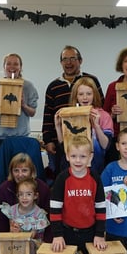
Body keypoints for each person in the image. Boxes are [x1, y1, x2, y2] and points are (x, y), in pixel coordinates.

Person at [50, 135, 107, 254]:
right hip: (67, 231)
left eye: (83, 156)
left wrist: (99, 234)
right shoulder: (62, 179)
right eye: (74, 156)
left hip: (89, 231)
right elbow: (55, 209)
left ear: (90, 157)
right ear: (67, 156)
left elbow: (101, 208)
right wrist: (58, 235)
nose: (78, 160)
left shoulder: (95, 178)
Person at [42, 46, 104, 175]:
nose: (68, 63)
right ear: (61, 63)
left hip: (89, 143)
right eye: (65, 59)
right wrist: (48, 140)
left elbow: (100, 106)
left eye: (72, 59)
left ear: (80, 61)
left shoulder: (91, 80)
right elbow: (48, 114)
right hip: (61, 142)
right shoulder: (53, 86)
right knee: (62, 175)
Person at [0, 178, 49, 254]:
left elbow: (33, 234)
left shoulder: (39, 213)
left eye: (28, 194)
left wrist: (22, 231)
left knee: (29, 252)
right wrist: (14, 229)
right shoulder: (13, 210)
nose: (24, 198)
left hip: (34, 243)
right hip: (17, 242)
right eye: (21, 194)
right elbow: (12, 229)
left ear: (35, 195)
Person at [54, 76, 112, 175]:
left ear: (94, 95)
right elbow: (64, 146)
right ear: (76, 96)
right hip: (71, 166)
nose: (85, 97)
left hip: (95, 166)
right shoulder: (70, 115)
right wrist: (58, 127)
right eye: (81, 94)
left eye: (89, 94)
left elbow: (106, 146)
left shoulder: (104, 116)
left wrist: (97, 126)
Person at [0, 53, 39, 159]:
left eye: (16, 64)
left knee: (20, 172)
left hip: (20, 138)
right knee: (0, 172)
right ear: (4, 67)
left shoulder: (28, 87)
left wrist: (23, 105)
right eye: (8, 64)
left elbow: (32, 112)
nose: (12, 67)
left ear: (20, 67)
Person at [0, 153, 51, 239]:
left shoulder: (42, 188)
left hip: (36, 240)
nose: (20, 174)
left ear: (31, 171)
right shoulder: (4, 188)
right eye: (16, 170)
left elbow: (49, 220)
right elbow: (1, 222)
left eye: (24, 170)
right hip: (12, 239)